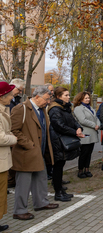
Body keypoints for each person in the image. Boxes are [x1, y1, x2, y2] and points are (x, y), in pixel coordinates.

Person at [11, 86, 59, 220]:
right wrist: (29, 145)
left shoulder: (42, 109)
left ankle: (41, 203)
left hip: (40, 152)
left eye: (49, 99)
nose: (48, 102)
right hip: (26, 153)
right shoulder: (21, 109)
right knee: (24, 184)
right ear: (37, 97)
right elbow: (14, 130)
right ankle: (19, 210)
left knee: (41, 179)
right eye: (46, 99)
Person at [48, 87, 84, 201]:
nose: (69, 97)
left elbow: (73, 121)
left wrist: (78, 128)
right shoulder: (55, 109)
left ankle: (60, 189)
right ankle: (58, 192)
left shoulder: (65, 108)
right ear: (59, 97)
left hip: (63, 139)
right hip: (57, 141)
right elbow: (59, 125)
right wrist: (74, 132)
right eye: (66, 95)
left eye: (69, 95)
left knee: (61, 165)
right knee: (58, 166)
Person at [0, 82, 18, 231]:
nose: (12, 97)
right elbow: (1, 138)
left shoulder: (3, 110)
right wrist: (14, 139)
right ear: (2, 97)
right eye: (10, 94)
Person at [73, 92, 101, 178]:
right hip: (85, 134)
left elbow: (96, 118)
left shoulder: (91, 108)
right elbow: (82, 120)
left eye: (88, 98)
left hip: (92, 133)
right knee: (84, 153)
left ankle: (87, 169)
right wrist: (94, 125)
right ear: (81, 99)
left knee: (89, 153)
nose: (88, 99)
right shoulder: (78, 108)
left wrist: (98, 125)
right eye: (86, 98)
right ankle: (80, 170)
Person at [7, 78, 26, 188]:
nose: (20, 92)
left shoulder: (16, 100)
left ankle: (11, 180)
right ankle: (9, 180)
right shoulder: (7, 101)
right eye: (19, 90)